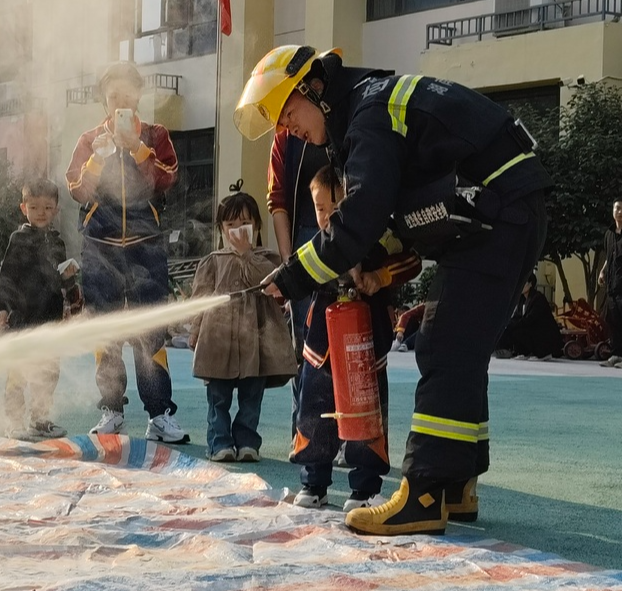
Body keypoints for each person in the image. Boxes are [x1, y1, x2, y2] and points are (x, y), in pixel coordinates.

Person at [235, 45, 552, 535]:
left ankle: (424, 495)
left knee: (444, 347)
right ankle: (456, 485)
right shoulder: (372, 107)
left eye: (288, 113)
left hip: (499, 213)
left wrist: (293, 276)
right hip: (503, 211)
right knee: (459, 348)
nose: (287, 129)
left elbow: (358, 220)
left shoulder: (369, 117)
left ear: (314, 90)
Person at [65, 61, 187, 444]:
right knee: (106, 333)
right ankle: (111, 410)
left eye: (127, 94)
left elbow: (167, 177)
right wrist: (98, 158)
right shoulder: (89, 140)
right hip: (100, 248)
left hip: (145, 247)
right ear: (104, 100)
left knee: (150, 331)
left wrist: (137, 149)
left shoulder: (155, 134)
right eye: (113, 95)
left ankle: (159, 415)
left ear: (138, 96)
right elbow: (77, 190)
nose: (121, 101)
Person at [290, 165, 421, 511]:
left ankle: (365, 487)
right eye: (320, 209)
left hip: (366, 345)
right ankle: (314, 481)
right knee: (315, 409)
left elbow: (412, 261)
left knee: (367, 412)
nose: (327, 217)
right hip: (321, 346)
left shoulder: (379, 237)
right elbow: (296, 274)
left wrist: (379, 276)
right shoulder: (315, 248)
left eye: (335, 209)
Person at [188, 185, 297, 462]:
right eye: (231, 224)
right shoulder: (212, 262)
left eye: (246, 223)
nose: (239, 230)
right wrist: (195, 331)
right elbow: (199, 300)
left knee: (251, 398)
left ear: (257, 226)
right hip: (217, 342)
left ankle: (247, 441)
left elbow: (267, 282)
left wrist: (247, 254)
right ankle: (219, 442)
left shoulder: (267, 259)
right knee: (218, 398)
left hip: (255, 344)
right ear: (222, 230)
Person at [0, 178, 83, 440]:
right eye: (34, 208)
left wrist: (70, 283)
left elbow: (62, 279)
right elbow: (7, 275)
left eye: (47, 207)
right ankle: (14, 422)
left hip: (50, 320)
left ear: (56, 209)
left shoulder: (57, 242)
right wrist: (3, 307)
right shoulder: (18, 239)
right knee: (19, 372)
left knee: (47, 374)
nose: (41, 213)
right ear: (24, 209)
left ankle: (40, 420)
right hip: (22, 319)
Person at [267, 129, 328, 438]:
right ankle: (304, 434)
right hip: (302, 238)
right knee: (303, 342)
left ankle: (351, 437)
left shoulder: (342, 125)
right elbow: (277, 200)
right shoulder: (285, 138)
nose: (288, 121)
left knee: (346, 339)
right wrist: (289, 263)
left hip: (342, 234)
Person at [496, 274, 562, 360]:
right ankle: (516, 351)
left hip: (542, 331)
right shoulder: (522, 299)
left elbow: (531, 319)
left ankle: (542, 354)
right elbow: (517, 316)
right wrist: (507, 324)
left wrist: (512, 325)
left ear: (530, 284)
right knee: (510, 328)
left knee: (518, 330)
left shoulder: (538, 298)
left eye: (523, 283)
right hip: (531, 328)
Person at [599, 198, 622, 367]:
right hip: (611, 286)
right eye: (617, 208)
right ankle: (616, 355)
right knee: (612, 321)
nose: (619, 212)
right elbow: (609, 257)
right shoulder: (609, 234)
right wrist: (602, 271)